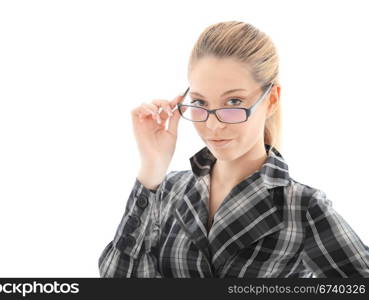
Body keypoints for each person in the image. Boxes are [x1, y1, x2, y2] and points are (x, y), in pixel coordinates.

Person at [98, 21, 369, 277]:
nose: (214, 126)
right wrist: (152, 168)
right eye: (201, 103)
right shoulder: (168, 190)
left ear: (271, 99)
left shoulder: (303, 208)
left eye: (234, 101)